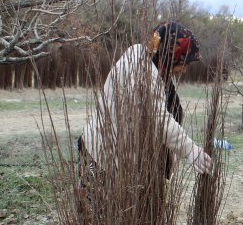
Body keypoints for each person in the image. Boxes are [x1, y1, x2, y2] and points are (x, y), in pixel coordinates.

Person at [79, 21, 212, 177]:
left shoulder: (141, 55)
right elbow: (158, 119)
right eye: (184, 63)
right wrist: (190, 149)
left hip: (105, 149)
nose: (184, 69)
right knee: (94, 200)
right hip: (101, 155)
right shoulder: (143, 74)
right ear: (170, 55)